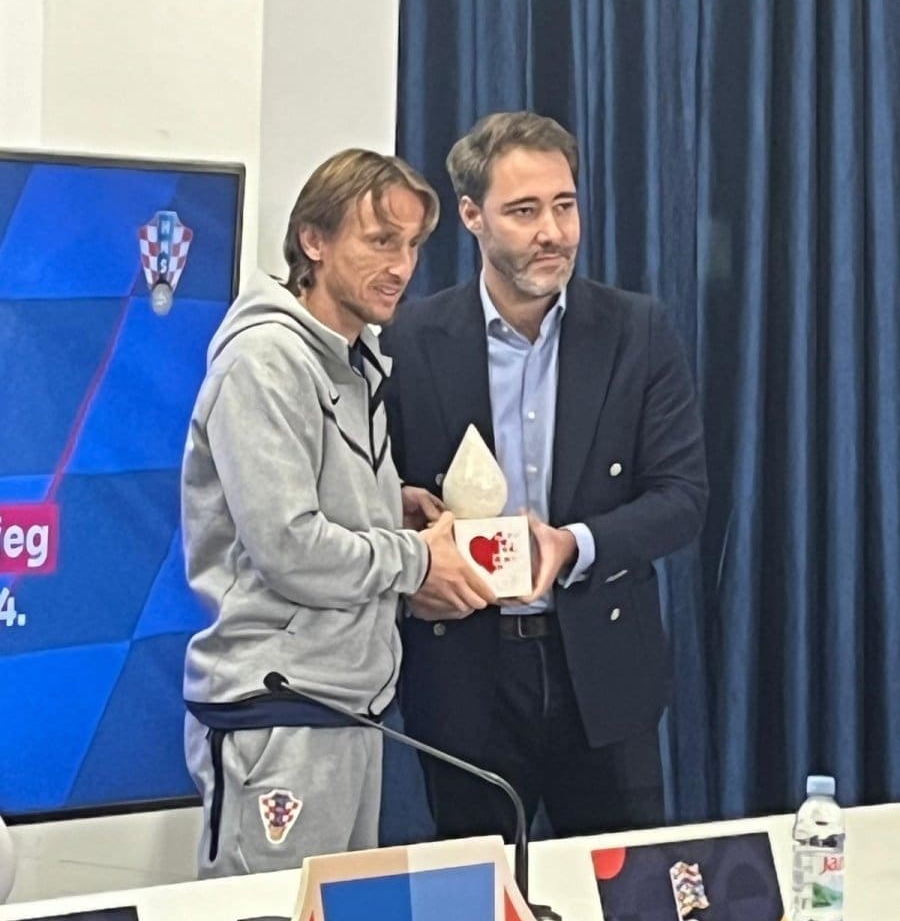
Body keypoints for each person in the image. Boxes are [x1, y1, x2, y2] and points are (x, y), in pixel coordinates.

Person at [382, 111, 708, 841]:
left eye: (565, 205)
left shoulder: (636, 330)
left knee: (624, 894)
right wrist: (407, 538)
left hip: (602, 667)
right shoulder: (412, 337)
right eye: (524, 211)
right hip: (464, 677)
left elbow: (682, 498)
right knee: (478, 895)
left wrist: (573, 545)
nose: (553, 232)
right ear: (472, 215)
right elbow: (379, 493)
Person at [181, 148, 494, 878]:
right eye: (380, 241)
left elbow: (321, 504)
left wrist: (393, 506)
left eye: (412, 246)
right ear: (313, 241)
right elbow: (289, 547)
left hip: (348, 706)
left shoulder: (356, 359)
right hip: (278, 711)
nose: (401, 266)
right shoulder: (265, 361)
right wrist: (419, 559)